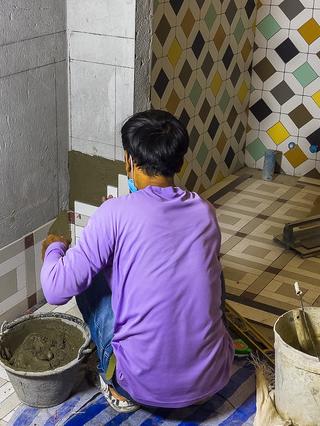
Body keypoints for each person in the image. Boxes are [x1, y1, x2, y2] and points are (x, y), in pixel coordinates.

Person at [40, 110, 234, 413]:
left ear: (129, 160)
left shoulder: (114, 213)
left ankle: (116, 386)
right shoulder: (204, 211)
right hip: (211, 381)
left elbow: (55, 290)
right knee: (214, 272)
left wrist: (55, 249)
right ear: (178, 161)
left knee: (87, 279)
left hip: (141, 385)